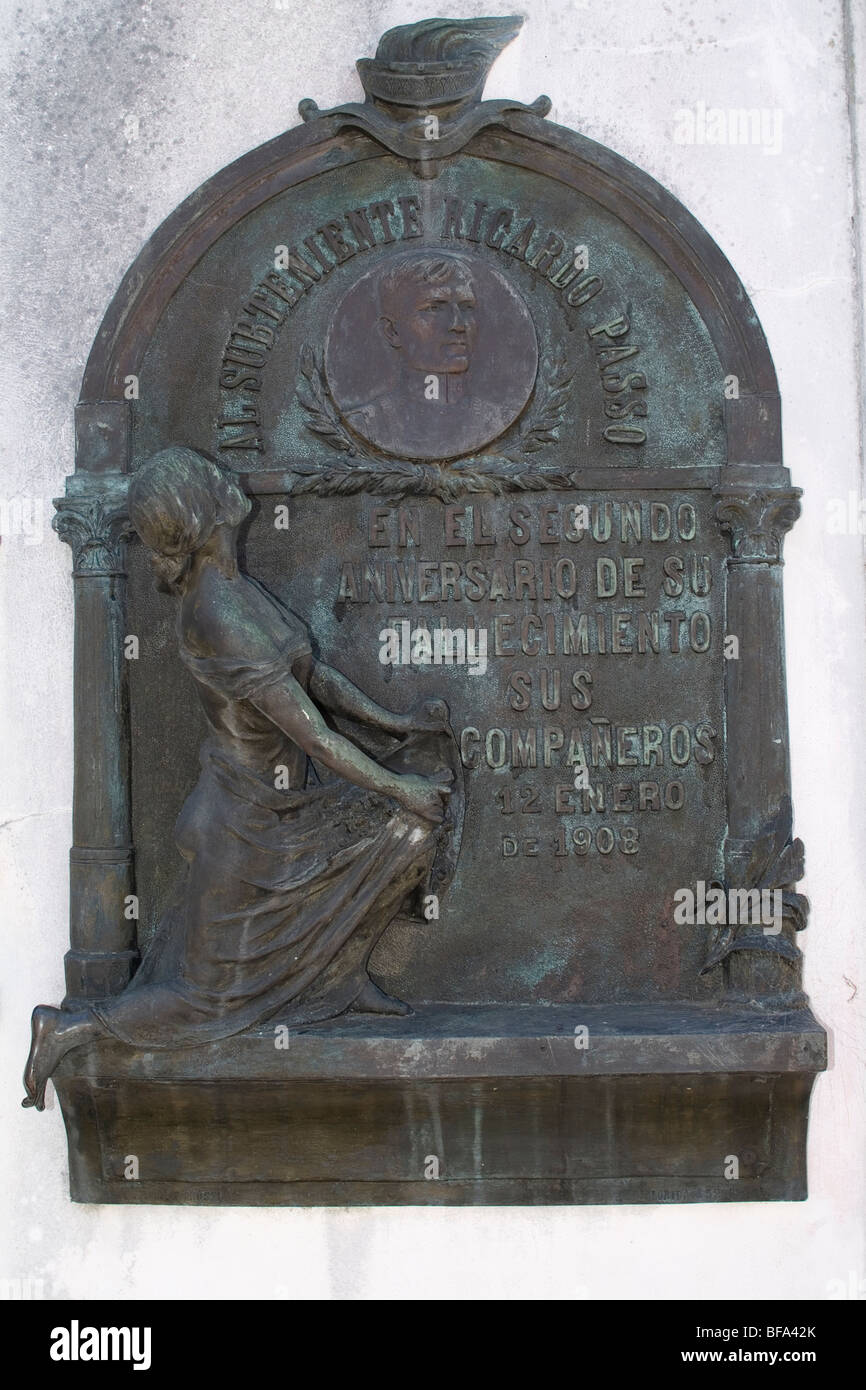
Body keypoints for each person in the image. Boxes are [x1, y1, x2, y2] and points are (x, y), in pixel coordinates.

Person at [23, 447, 453, 1110]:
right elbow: (311, 733)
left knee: (411, 835)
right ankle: (72, 1028)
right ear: (202, 512)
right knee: (206, 999)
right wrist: (400, 785)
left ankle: (336, 981)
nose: (226, 479)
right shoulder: (216, 617)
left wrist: (396, 725)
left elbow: (313, 678)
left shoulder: (237, 587)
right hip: (242, 828)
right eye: (212, 478)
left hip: (283, 810)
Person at [342, 251, 507, 459]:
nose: (458, 325)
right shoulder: (364, 424)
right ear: (392, 332)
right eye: (434, 308)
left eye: (466, 308)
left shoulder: (499, 420)